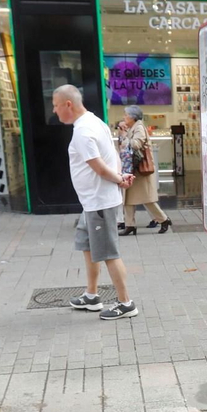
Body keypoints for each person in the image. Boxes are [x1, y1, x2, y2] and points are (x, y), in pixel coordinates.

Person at [51, 85, 139, 321]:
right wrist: (120, 178)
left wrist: (119, 179)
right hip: (92, 202)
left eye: (56, 105)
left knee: (109, 252)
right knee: (88, 246)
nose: (54, 110)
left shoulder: (83, 131)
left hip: (99, 202)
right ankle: (92, 295)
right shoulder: (95, 122)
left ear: (68, 104)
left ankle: (125, 303)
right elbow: (113, 155)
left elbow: (100, 167)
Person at [116, 106, 170, 235]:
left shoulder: (139, 127)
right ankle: (130, 225)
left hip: (140, 170)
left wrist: (124, 135)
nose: (124, 117)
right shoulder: (132, 127)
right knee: (128, 198)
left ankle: (163, 219)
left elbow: (136, 145)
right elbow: (124, 146)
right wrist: (122, 133)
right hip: (133, 169)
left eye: (126, 115)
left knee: (146, 199)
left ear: (133, 117)